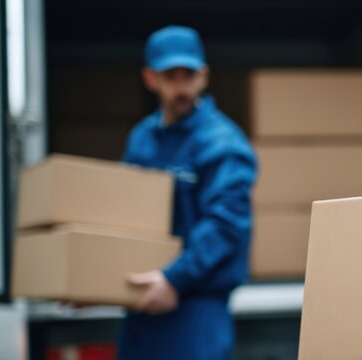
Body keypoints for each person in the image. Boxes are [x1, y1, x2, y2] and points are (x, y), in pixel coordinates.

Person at [118, 25, 258, 360]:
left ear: (204, 76)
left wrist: (174, 280)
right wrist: (100, 281)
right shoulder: (142, 138)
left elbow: (226, 225)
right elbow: (121, 214)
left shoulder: (223, 143)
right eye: (170, 76)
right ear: (151, 78)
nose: (181, 86)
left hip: (196, 310)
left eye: (189, 75)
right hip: (142, 303)